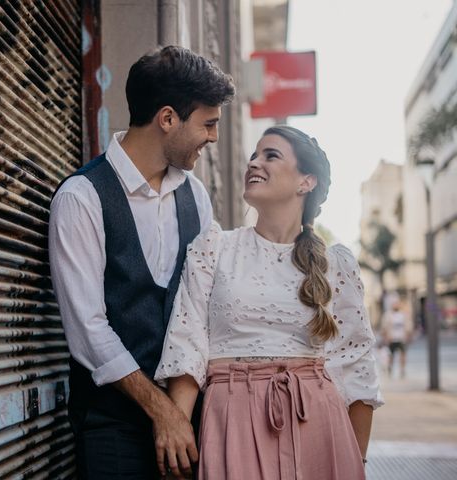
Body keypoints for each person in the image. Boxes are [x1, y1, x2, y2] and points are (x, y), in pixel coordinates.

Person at [154, 125, 384, 479]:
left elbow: (356, 370)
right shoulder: (214, 248)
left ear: (305, 182)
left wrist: (357, 462)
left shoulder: (335, 263)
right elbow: (187, 347)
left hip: (319, 425)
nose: (254, 163)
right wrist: (176, 428)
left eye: (270, 155)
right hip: (232, 420)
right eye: (253, 155)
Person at [49, 45, 235, 479]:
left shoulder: (196, 196)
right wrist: (161, 412)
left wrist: (185, 413)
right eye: (207, 124)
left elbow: (209, 308)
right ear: (167, 118)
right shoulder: (82, 198)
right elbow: (88, 332)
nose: (213, 137)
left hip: (192, 423)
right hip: (114, 427)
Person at [381, 300, 414, 378]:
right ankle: (390, 368)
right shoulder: (388, 315)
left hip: (402, 338)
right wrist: (385, 337)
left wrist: (409, 336)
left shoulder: (404, 315)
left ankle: (402, 370)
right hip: (392, 338)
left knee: (403, 354)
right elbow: (384, 327)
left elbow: (408, 326)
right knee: (391, 355)